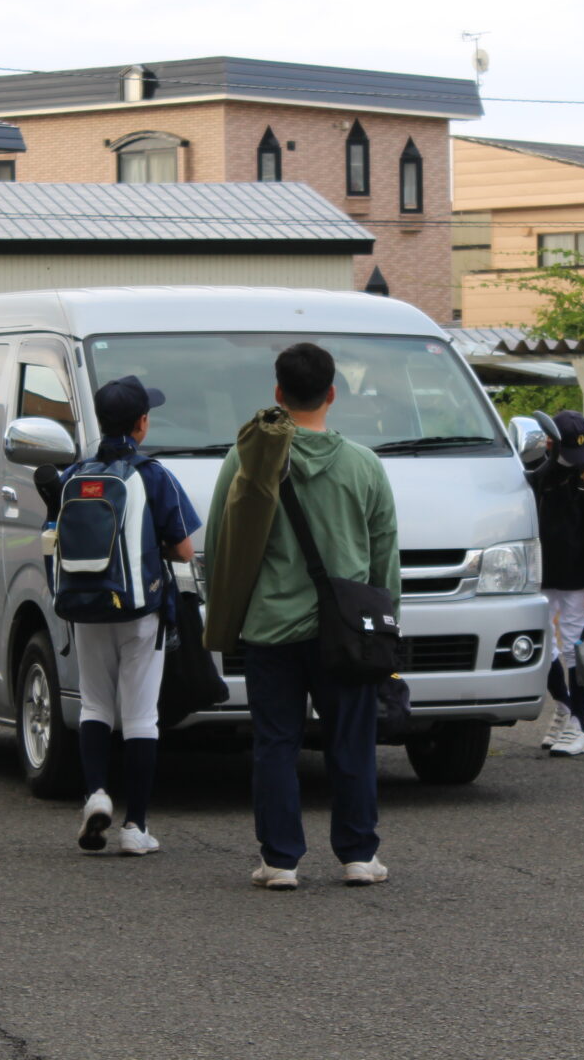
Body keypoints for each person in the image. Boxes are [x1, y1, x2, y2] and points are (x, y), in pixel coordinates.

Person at [204, 342, 399, 891]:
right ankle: (359, 855)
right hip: (345, 633)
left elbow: (221, 541)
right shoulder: (363, 465)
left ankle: (281, 859)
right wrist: (388, 627)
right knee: (351, 742)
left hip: (270, 627)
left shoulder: (246, 458)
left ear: (277, 394)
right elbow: (385, 556)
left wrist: (226, 614)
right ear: (332, 393)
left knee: (275, 744)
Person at [68, 375, 200, 856]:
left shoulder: (76, 474)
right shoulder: (154, 475)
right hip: (141, 610)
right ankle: (135, 827)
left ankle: (96, 793)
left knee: (95, 705)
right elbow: (185, 549)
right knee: (142, 715)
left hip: (86, 606)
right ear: (142, 424)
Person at [526, 409, 584, 757]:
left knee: (577, 648)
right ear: (550, 441)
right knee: (542, 646)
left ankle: (579, 725)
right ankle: (563, 706)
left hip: (578, 577)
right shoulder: (537, 468)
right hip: (541, 575)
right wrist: (549, 463)